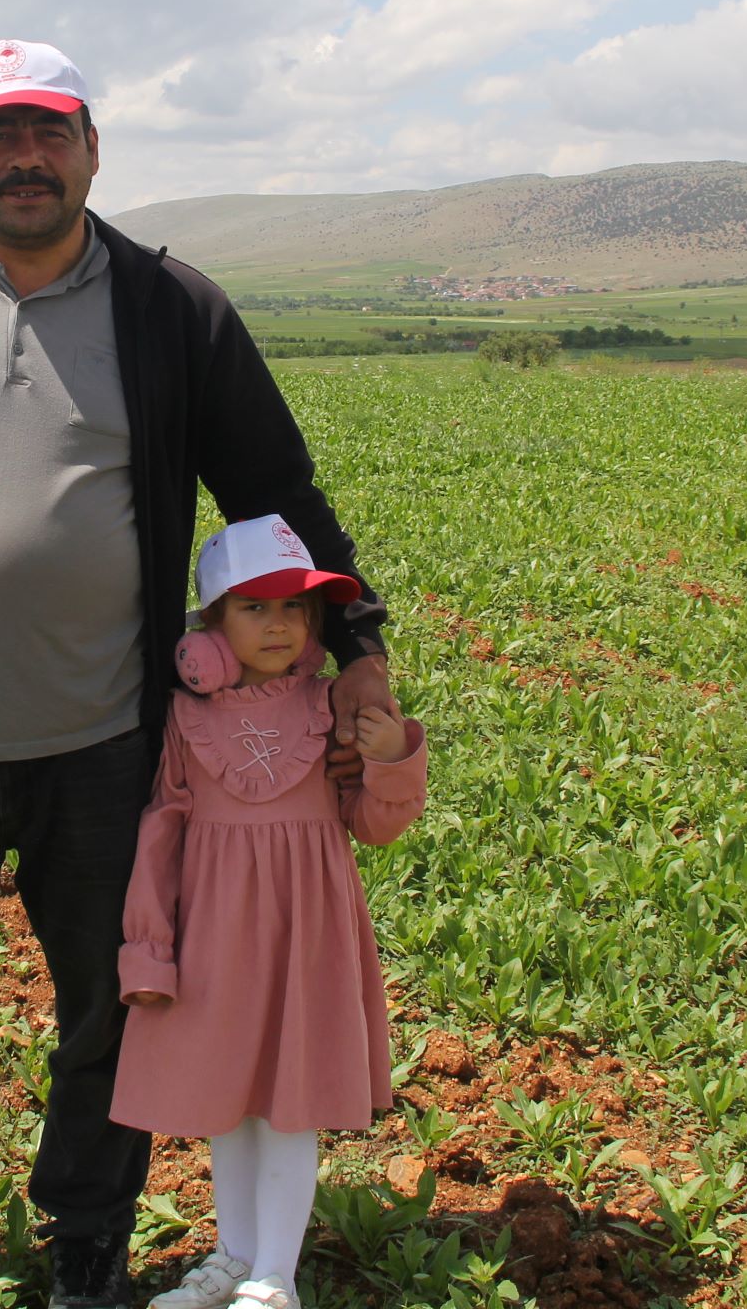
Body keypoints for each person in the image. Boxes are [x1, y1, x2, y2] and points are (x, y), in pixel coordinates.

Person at [0, 39, 400, 1309]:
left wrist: (363, 647)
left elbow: (275, 489)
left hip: (114, 741)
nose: (26, 157)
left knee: (112, 1004)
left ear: (92, 147)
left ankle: (90, 1237)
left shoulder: (171, 311)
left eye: (49, 131)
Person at [114, 515, 428, 1309]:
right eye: (254, 608)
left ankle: (273, 1278)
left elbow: (376, 825)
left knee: (290, 1102)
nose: (280, 623)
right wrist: (149, 949)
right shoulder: (185, 717)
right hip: (216, 936)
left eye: (295, 607)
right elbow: (161, 834)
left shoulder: (333, 708)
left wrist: (391, 755)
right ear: (209, 628)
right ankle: (235, 1254)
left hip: (307, 935)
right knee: (231, 1101)